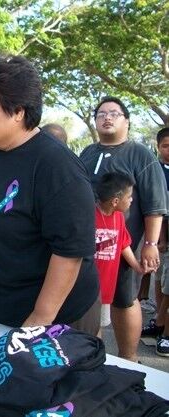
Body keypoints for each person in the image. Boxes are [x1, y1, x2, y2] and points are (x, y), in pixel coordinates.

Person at [0, 55, 100, 335]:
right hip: (1, 308)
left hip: (53, 319)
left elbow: (70, 252)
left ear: (17, 111)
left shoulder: (56, 166)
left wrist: (38, 320)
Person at [80, 96, 167, 361]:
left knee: (124, 298)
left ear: (126, 121)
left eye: (114, 113)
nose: (106, 118)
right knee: (88, 299)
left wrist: (150, 244)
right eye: (101, 114)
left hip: (126, 243)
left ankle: (128, 359)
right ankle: (92, 361)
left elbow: (155, 204)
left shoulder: (140, 154)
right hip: (87, 245)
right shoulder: (88, 153)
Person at [93, 172, 147, 335]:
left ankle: (97, 350)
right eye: (129, 196)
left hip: (106, 286)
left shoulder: (119, 218)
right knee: (87, 327)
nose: (132, 200)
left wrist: (137, 266)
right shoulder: (90, 216)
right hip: (88, 287)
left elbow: (123, 244)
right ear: (115, 201)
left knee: (99, 326)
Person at [141, 126, 169, 357]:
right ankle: (159, 323)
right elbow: (158, 209)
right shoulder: (154, 170)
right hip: (162, 239)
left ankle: (165, 330)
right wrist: (158, 239)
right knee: (161, 282)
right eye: (166, 146)